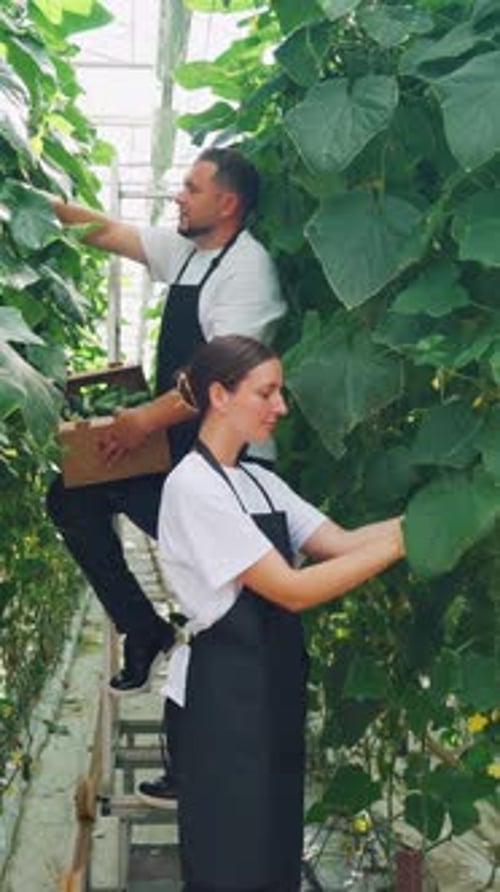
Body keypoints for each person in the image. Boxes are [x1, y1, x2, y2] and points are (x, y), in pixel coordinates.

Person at [45, 149, 285, 800]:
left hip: (227, 475)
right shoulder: (190, 254)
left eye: (190, 187)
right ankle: (144, 628)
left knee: (218, 617)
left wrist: (139, 424)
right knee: (71, 496)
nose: (178, 197)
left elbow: (224, 378)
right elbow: (106, 231)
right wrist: (27, 198)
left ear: (227, 203)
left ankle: (200, 771)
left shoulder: (246, 272)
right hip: (180, 458)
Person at [157, 335, 405, 892]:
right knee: (231, 857)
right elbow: (290, 589)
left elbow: (341, 542)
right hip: (223, 701)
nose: (281, 406)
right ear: (220, 395)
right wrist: (401, 545)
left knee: (272, 852)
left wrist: (430, 518)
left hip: (271, 690)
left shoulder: (259, 481)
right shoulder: (193, 487)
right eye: (266, 392)